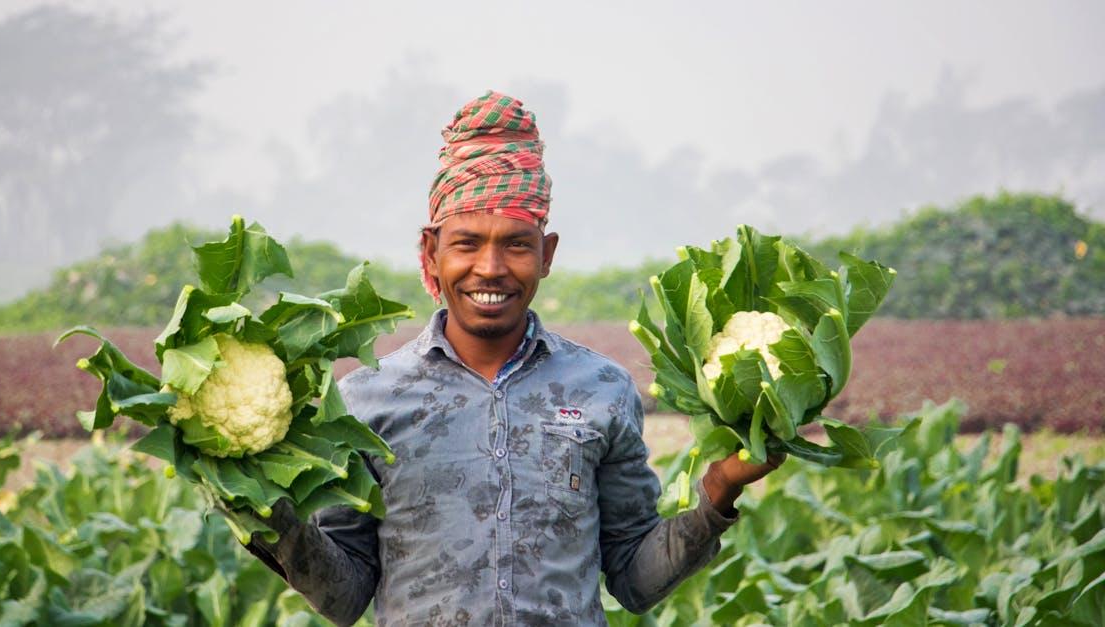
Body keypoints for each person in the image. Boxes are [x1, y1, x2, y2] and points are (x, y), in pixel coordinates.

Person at [244, 90, 781, 626]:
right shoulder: (366, 402)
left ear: (547, 254)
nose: (491, 267)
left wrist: (720, 488)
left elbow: (633, 578)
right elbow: (345, 595)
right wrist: (268, 515)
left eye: (517, 245)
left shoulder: (602, 390)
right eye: (467, 244)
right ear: (432, 251)